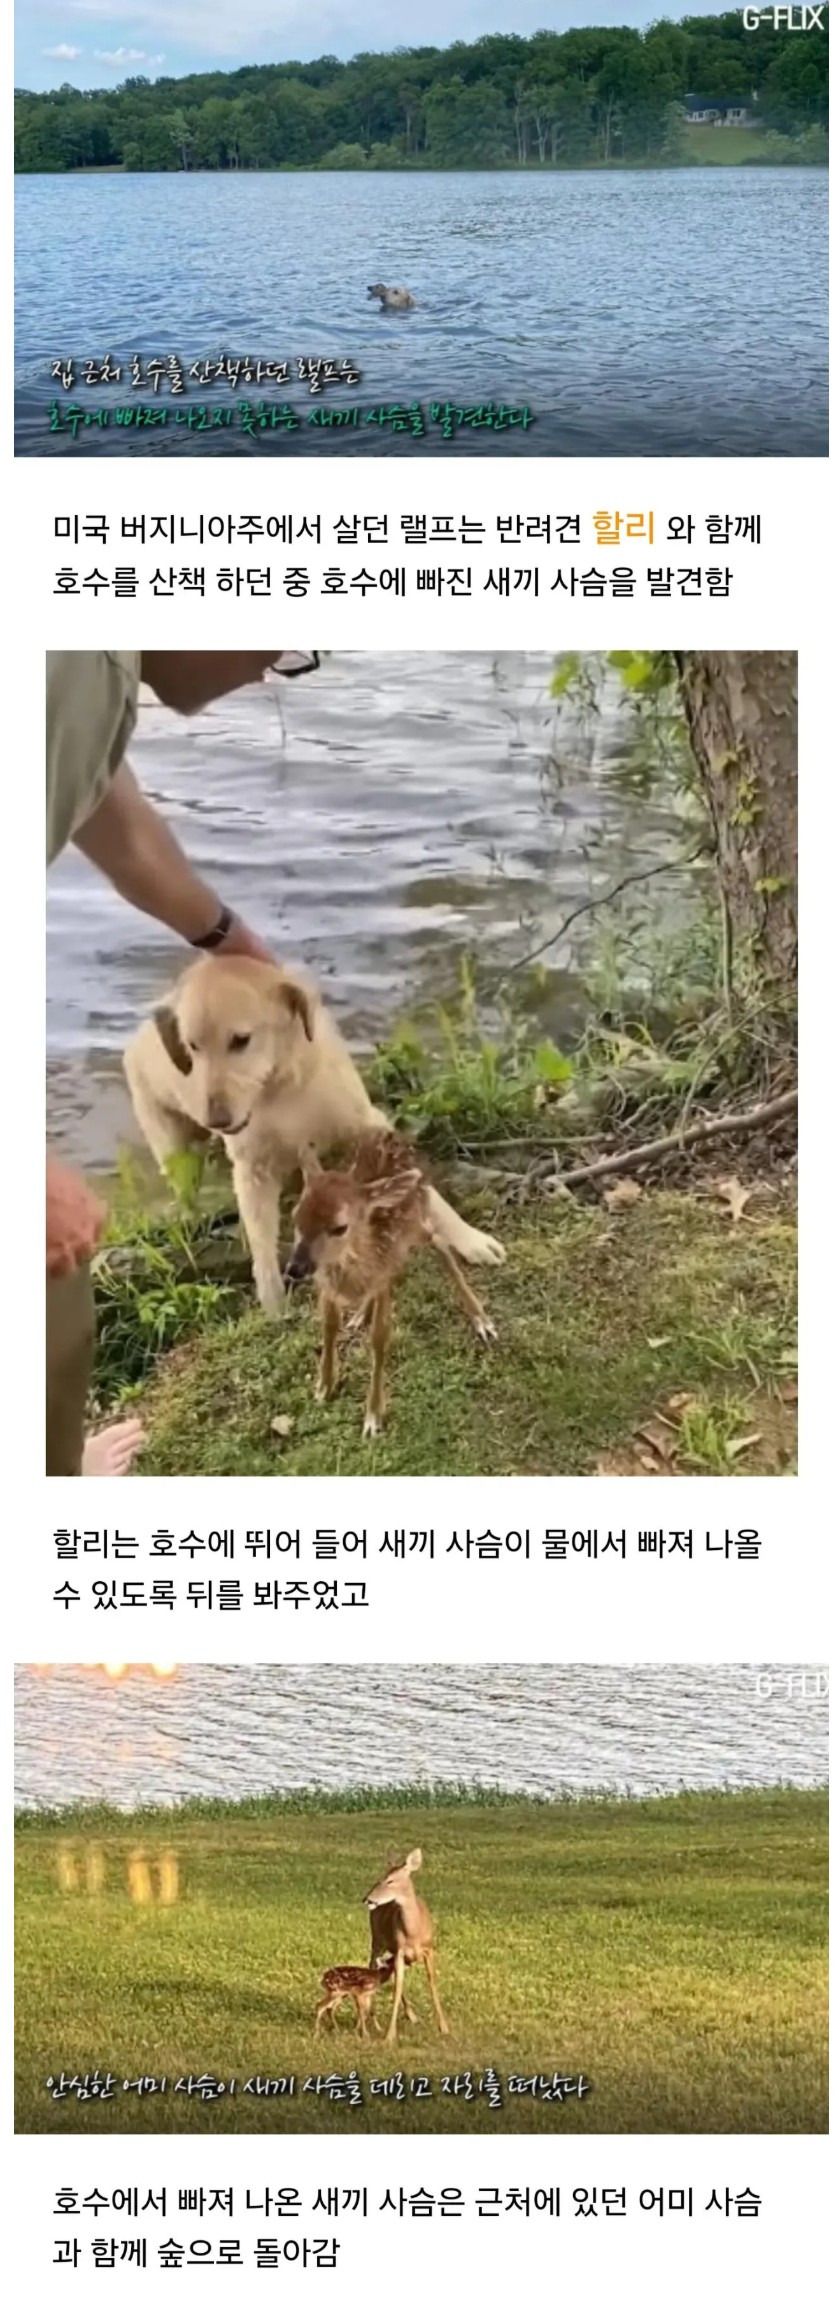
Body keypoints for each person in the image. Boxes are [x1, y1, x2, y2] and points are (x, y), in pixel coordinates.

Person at [46, 650, 319, 1476]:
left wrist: (229, 941)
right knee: (49, 1269)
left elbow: (114, 820)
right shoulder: (75, 664)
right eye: (284, 642)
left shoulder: (89, 657)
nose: (272, 670)